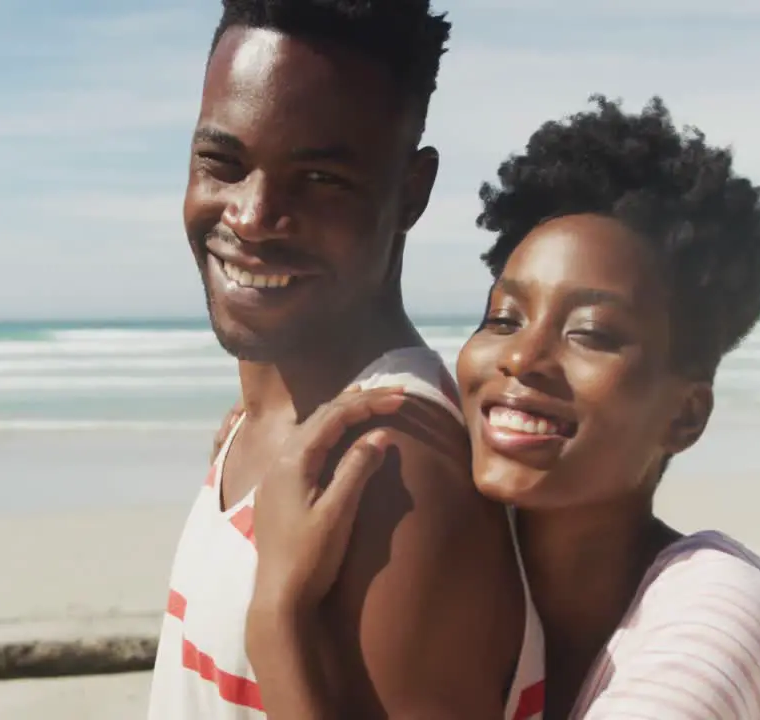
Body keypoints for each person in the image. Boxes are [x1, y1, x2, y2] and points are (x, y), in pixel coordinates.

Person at [235, 96, 760, 719]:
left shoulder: (719, 629)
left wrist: (278, 620)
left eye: (591, 333)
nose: (522, 358)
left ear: (685, 416)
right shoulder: (476, 581)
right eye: (503, 318)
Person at [146, 1, 537, 718]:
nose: (253, 215)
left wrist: (278, 624)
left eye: (320, 179)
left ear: (411, 192)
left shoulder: (393, 475)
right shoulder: (266, 415)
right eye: (222, 163)